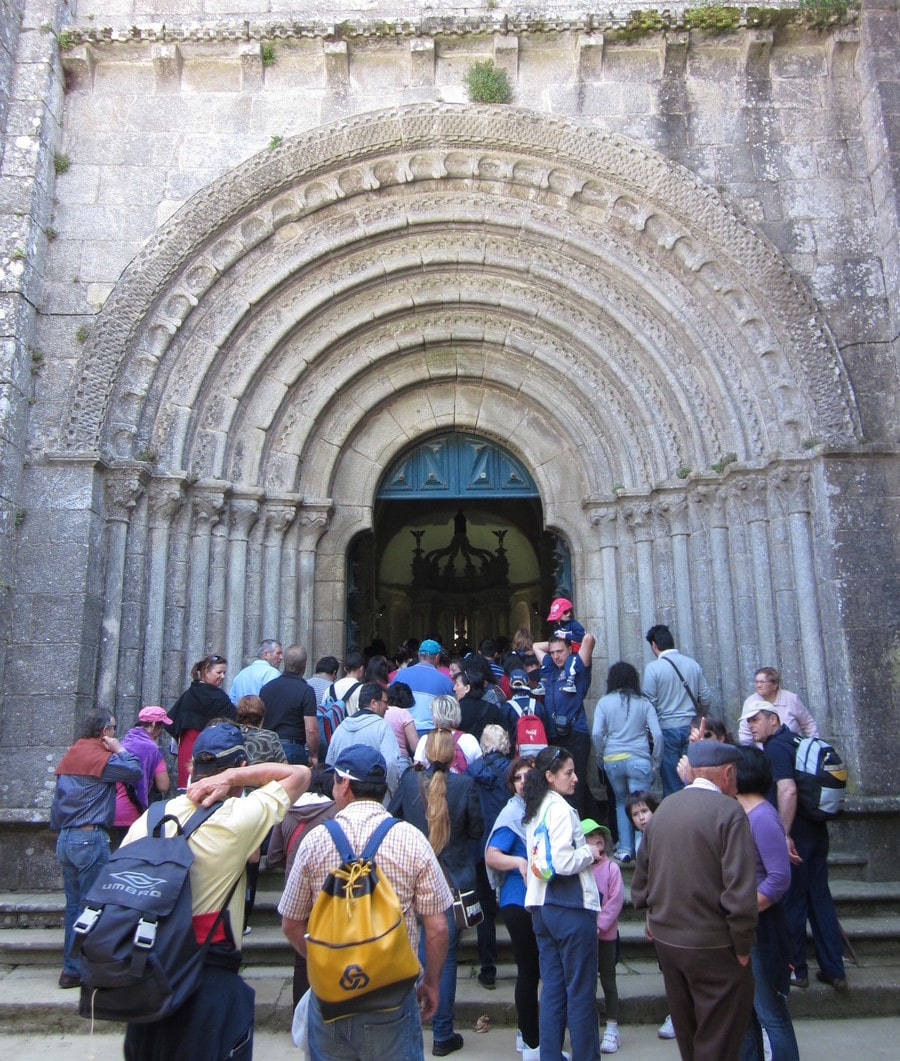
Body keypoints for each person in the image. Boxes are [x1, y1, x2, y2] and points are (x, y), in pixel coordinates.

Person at [122, 721, 311, 1060]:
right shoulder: (236, 819)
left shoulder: (150, 818)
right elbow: (299, 774)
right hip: (205, 972)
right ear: (241, 767)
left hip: (147, 974)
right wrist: (233, 780)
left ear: (192, 766)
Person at [280, 746, 452, 1061]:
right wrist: (431, 982)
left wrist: (325, 962)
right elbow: (438, 927)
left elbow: (291, 924)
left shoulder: (315, 841)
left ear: (344, 784)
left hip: (331, 997)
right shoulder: (412, 839)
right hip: (393, 995)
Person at [631, 740, 757, 1061]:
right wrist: (742, 946)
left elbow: (640, 882)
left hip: (667, 940)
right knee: (718, 1038)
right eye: (736, 774)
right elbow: (740, 892)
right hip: (713, 943)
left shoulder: (664, 809)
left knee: (689, 1034)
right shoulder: (730, 812)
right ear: (727, 773)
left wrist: (651, 916)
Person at [742, 701, 848, 993]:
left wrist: (784, 835)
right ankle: (834, 969)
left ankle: (796, 969)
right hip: (816, 830)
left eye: (756, 720)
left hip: (797, 833)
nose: (751, 726)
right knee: (820, 898)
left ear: (773, 720)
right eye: (748, 722)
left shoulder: (776, 748)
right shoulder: (797, 741)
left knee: (793, 901)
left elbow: (787, 789)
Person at [390, 729, 484, 1056]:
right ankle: (442, 1033)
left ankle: (410, 1026)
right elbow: (476, 830)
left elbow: (392, 819)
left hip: (413, 876)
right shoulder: (465, 785)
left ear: (427, 753)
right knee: (445, 959)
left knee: (412, 949)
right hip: (453, 878)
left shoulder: (408, 782)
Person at [51, 708, 142, 989]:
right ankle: (92, 970)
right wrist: (120, 749)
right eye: (113, 728)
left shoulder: (72, 754)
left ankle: (72, 969)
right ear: (104, 732)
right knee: (95, 906)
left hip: (66, 838)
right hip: (90, 838)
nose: (115, 732)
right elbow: (135, 772)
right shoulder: (100, 759)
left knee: (74, 907)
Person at [523, 746, 602, 1061]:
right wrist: (589, 853)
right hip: (569, 906)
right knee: (581, 992)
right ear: (550, 776)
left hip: (541, 907)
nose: (575, 778)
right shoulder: (560, 809)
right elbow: (563, 861)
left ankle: (551, 1056)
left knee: (553, 990)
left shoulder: (535, 807)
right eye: (568, 773)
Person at [736, 747, 799, 1061]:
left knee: (770, 1014)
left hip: (762, 930)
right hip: (745, 928)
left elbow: (778, 878)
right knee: (746, 1015)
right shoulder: (743, 814)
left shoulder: (762, 816)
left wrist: (741, 908)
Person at [266, 765, 337, 1007]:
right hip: (329, 892)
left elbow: (273, 857)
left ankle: (300, 1014)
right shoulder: (336, 812)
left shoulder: (287, 813)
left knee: (301, 958)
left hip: (295, 891)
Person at [485, 756, 540, 1059]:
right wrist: (518, 861)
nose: (522, 782)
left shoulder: (537, 809)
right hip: (518, 901)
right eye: (517, 778)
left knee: (532, 970)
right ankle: (532, 1043)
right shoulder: (512, 813)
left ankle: (526, 1032)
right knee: (530, 970)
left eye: (527, 776)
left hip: (534, 900)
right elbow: (492, 855)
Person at [591, 661, 662, 862]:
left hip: (613, 759)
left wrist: (602, 755)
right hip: (640, 759)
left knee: (621, 803)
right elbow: (657, 735)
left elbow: (596, 733)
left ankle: (625, 848)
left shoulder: (604, 702)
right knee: (641, 805)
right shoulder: (644, 703)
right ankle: (643, 846)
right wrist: (656, 760)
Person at [533, 629, 599, 817]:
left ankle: (579, 830)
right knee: (567, 783)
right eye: (552, 652)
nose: (555, 656)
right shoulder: (551, 670)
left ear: (570, 650)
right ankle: (596, 823)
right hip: (555, 735)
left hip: (575, 734)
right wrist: (555, 642)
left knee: (573, 785)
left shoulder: (577, 667)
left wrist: (566, 637)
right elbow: (536, 646)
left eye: (560, 651)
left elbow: (589, 639)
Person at [622, 790, 672, 1040]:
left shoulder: (666, 836)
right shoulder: (642, 842)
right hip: (658, 911)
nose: (641, 818)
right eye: (635, 814)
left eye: (645, 811)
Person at [642, 624, 713, 797]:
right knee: (695, 779)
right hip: (693, 729)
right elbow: (706, 697)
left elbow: (649, 703)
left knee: (672, 783)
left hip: (666, 729)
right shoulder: (692, 664)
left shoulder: (652, 669)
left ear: (654, 645)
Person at [468, 724, 513, 992]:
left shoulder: (471, 772)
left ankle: (487, 968)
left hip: (480, 845)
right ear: (505, 743)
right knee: (517, 904)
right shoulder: (513, 772)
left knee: (485, 908)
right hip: (507, 844)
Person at [581, 819, 625, 1055]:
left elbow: (615, 901)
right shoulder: (581, 868)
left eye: (599, 834)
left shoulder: (611, 869)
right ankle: (589, 1026)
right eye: (590, 835)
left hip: (605, 936)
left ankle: (612, 1027)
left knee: (608, 980)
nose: (597, 838)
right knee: (587, 982)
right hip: (584, 936)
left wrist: (598, 927)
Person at [325, 681, 406, 798]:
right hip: (375, 798)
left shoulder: (340, 728)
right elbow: (392, 763)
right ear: (374, 703)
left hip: (345, 797)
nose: (387, 707)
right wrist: (391, 792)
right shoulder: (382, 727)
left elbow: (330, 764)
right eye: (385, 702)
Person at [168, 653, 236, 788]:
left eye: (224, 673)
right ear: (206, 671)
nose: (222, 676)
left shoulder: (189, 694)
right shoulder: (219, 698)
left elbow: (172, 722)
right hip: (209, 750)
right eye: (219, 672)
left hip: (186, 749)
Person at [111, 705, 172, 846]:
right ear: (154, 725)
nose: (162, 732)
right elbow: (164, 786)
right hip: (132, 812)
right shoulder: (152, 749)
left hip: (112, 810)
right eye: (161, 727)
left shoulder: (123, 743)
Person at [258, 644, 319, 765]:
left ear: (285, 662)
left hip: (268, 748)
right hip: (292, 748)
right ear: (305, 665)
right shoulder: (306, 691)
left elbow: (260, 721)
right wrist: (314, 755)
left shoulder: (266, 688)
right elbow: (311, 729)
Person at [738, 667, 819, 747]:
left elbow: (808, 724)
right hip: (763, 753)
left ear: (775, 684)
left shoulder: (791, 699)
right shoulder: (750, 702)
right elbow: (745, 731)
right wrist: (747, 752)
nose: (758, 686)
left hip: (792, 749)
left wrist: (815, 745)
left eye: (762, 682)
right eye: (756, 682)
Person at [390, 638, 454, 736]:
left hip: (403, 730)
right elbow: (451, 712)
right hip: (430, 733)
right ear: (437, 657)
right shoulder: (445, 681)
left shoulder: (400, 675)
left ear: (419, 655)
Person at [413, 693, 481, 773]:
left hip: (431, 784)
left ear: (435, 717)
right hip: (461, 784)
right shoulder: (469, 740)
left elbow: (417, 770)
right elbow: (479, 769)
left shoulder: (425, 740)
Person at [546, 597, 586, 693]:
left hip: (575, 652)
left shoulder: (574, 625)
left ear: (567, 613)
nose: (557, 621)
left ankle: (570, 682)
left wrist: (565, 635)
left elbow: (583, 636)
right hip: (567, 651)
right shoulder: (559, 626)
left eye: (559, 617)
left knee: (571, 664)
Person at [235, 695, 288, 765]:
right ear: (262, 715)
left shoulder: (232, 736)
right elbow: (284, 766)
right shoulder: (270, 736)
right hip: (266, 775)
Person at [229, 639, 283, 704]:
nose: (281, 657)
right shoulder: (272, 673)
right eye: (278, 653)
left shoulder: (241, 674)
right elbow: (275, 700)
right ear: (266, 654)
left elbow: (232, 700)